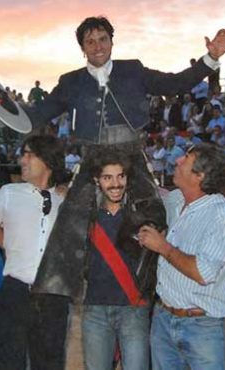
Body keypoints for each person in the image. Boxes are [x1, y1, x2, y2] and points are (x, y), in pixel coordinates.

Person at [22, 16, 225, 299]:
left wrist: (210, 58)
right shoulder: (70, 82)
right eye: (90, 41)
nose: (98, 46)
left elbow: (174, 84)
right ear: (83, 48)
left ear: (112, 42)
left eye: (103, 39)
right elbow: (37, 114)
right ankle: (57, 293)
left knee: (153, 215)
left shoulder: (132, 70)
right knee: (70, 219)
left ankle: (149, 288)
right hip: (92, 159)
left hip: (132, 156)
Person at [0, 134, 69, 370]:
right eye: (22, 154)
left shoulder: (66, 201)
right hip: (15, 292)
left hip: (53, 296)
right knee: (7, 361)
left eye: (29, 154)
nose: (22, 160)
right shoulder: (9, 193)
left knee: (50, 363)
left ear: (47, 160)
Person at [137, 143, 225, 370]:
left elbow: (203, 273)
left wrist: (163, 246)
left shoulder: (221, 215)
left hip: (201, 325)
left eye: (186, 159)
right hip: (163, 317)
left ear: (199, 176)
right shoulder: (174, 200)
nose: (177, 161)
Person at [82, 150, 165, 370]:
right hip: (95, 309)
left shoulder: (145, 214)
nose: (115, 184)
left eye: (121, 176)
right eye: (107, 177)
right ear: (96, 181)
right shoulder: (83, 216)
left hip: (134, 309)